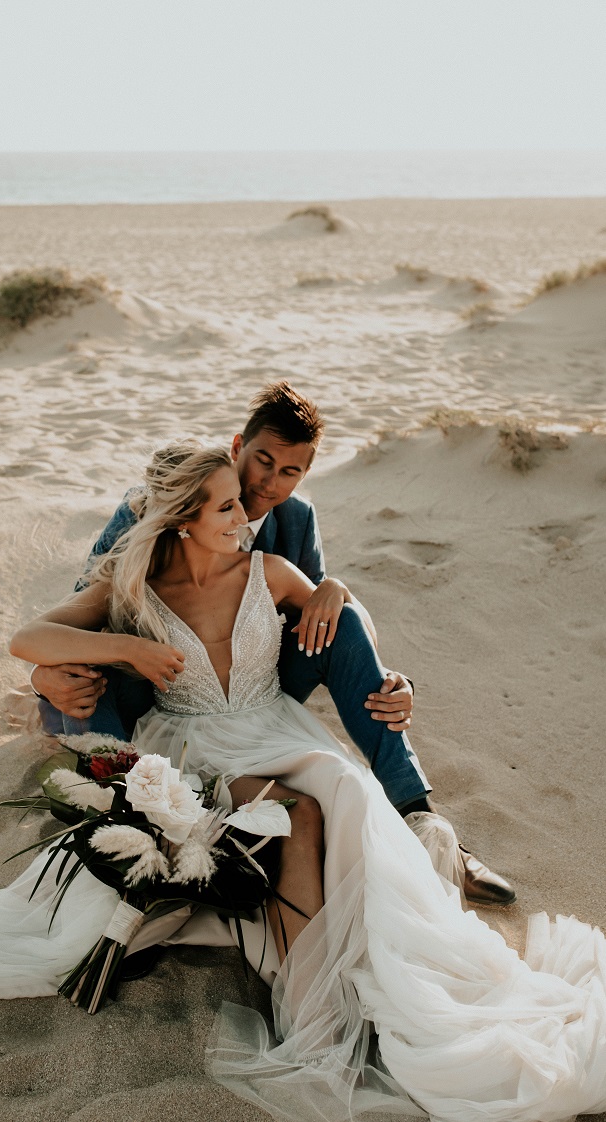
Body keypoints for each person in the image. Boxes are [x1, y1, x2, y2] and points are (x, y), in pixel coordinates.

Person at [0, 441, 606, 1122]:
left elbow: (338, 612)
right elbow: (29, 640)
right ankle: (313, 1019)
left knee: (346, 789)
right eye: (227, 510)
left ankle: (382, 963)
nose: (245, 520)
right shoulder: (133, 588)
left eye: (242, 506)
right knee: (296, 817)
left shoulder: (268, 572)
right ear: (182, 520)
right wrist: (127, 645)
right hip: (195, 744)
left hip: (278, 728)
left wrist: (345, 602)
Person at [31, 381, 513, 907]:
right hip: (156, 687)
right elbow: (82, 608)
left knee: (345, 620)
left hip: (254, 686)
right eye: (263, 462)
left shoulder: (296, 520)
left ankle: (422, 819)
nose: (269, 484)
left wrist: (383, 667)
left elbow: (330, 624)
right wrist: (41, 675)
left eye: (291, 472)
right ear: (238, 448)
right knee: (82, 670)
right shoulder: (155, 506)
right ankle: (123, 822)